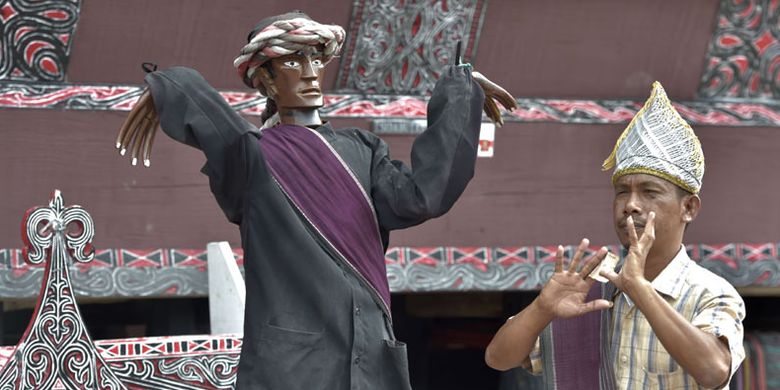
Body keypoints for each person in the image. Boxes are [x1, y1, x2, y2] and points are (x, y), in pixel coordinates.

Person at [115, 11, 516, 389]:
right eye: (292, 62)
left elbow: (422, 197)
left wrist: (461, 94)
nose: (310, 74)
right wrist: (171, 84)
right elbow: (219, 127)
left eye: (316, 61)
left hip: (371, 355)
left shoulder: (362, 147)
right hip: (293, 369)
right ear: (266, 81)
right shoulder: (252, 157)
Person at [485, 82, 745, 389]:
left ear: (688, 208)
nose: (631, 205)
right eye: (623, 192)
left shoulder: (710, 291)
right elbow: (498, 359)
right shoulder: (592, 289)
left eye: (649, 192)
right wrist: (542, 308)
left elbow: (713, 370)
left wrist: (640, 290)